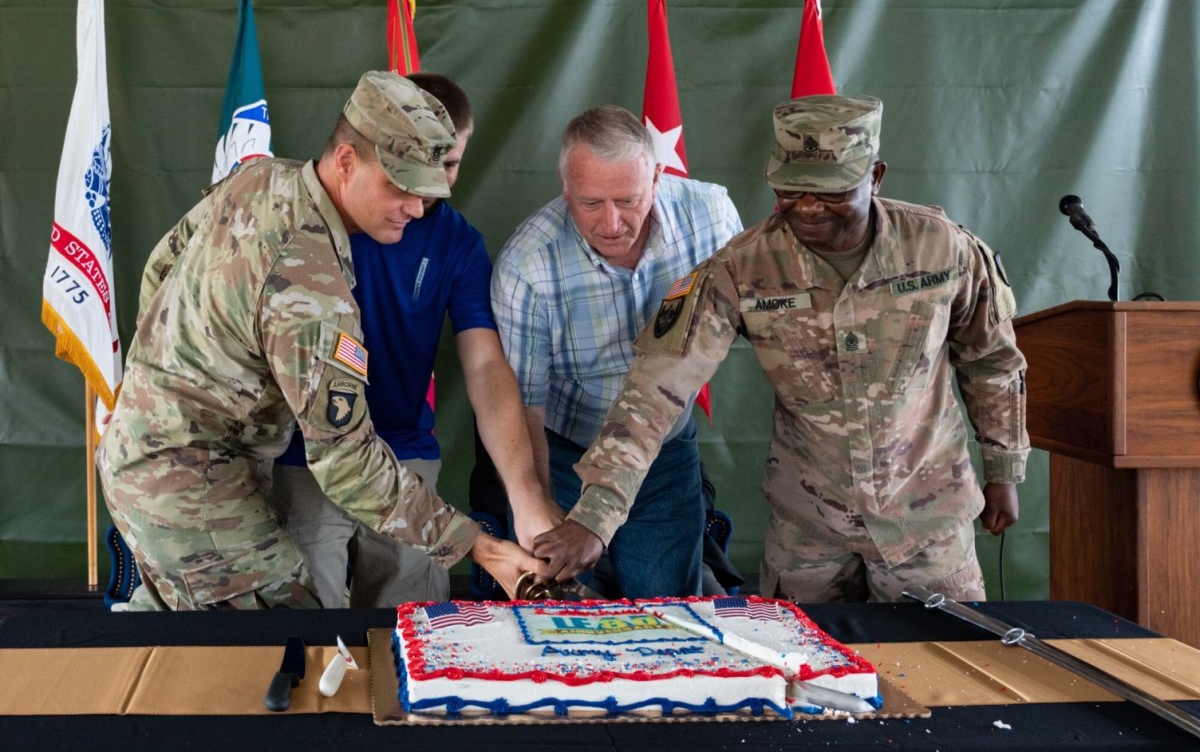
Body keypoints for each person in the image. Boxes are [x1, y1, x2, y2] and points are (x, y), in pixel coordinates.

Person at [534, 94, 1029, 603]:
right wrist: (596, 518)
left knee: (940, 672)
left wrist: (1004, 470)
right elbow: (655, 389)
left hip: (926, 523)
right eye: (791, 190)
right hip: (808, 532)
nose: (808, 207)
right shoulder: (743, 268)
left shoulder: (942, 250)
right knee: (801, 670)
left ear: (875, 176)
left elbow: (992, 362)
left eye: (830, 192)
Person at [99, 70, 543, 610]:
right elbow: (348, 463)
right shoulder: (310, 286)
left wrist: (166, 375)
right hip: (191, 482)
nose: (415, 207)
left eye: (425, 190)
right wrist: (480, 547)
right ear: (346, 161)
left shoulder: (260, 179)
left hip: (152, 451)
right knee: (287, 636)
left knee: (188, 631)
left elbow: (163, 264)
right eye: (398, 186)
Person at [266, 72, 558, 609]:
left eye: (447, 167)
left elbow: (486, 369)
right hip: (305, 456)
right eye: (410, 175)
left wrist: (526, 494)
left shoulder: (456, 241)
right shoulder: (296, 226)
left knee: (419, 629)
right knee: (304, 630)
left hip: (404, 457)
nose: (428, 193)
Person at [491, 105, 743, 599]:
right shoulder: (527, 266)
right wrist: (539, 504)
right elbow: (525, 405)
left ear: (656, 178)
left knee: (668, 610)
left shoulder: (712, 216)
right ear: (565, 189)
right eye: (590, 203)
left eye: (628, 200)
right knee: (567, 617)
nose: (611, 223)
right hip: (567, 453)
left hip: (665, 452)